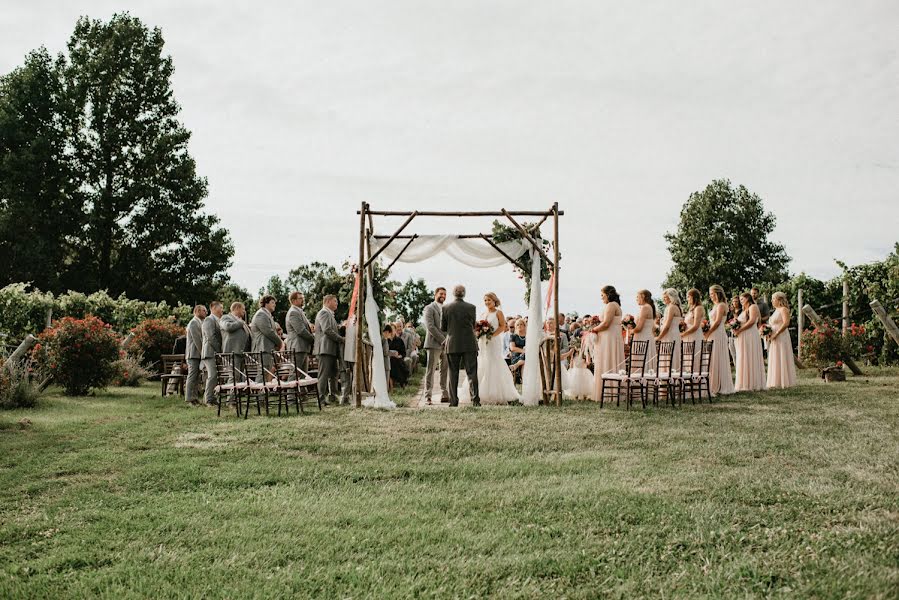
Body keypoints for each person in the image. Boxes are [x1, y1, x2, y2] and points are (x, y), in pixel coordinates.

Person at [467, 293, 519, 405]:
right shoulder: (483, 313)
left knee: (493, 362)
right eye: (485, 300)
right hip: (483, 341)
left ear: (494, 300)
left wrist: (492, 335)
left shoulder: (498, 313)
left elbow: (502, 326)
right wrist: (479, 332)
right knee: (482, 361)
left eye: (489, 300)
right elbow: (477, 326)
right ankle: (477, 392)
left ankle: (495, 392)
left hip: (493, 341)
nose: (486, 302)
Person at [440, 284, 479, 407]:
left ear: (453, 293)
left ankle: (453, 401)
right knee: (472, 373)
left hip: (453, 344)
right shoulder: (472, 307)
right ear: (464, 293)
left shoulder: (446, 308)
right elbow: (473, 325)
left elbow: (443, 328)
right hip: (469, 343)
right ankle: (475, 400)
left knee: (453, 373)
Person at [591, 285, 625, 401]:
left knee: (608, 359)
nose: (601, 298)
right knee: (609, 359)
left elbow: (606, 324)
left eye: (602, 295)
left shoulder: (611, 305)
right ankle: (610, 390)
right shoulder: (615, 305)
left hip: (609, 337)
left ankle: (609, 393)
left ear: (608, 294)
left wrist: (594, 330)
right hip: (611, 336)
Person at [314, 294, 345, 406]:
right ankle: (320, 399)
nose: (337, 303)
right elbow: (327, 330)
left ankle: (333, 396)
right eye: (335, 301)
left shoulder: (330, 314)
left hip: (331, 349)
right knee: (324, 374)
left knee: (334, 374)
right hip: (325, 349)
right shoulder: (323, 313)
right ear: (327, 302)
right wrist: (341, 339)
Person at [704, 285, 734, 396]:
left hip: (717, 333)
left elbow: (717, 322)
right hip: (713, 332)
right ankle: (713, 382)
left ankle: (720, 384)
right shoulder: (715, 305)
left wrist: (707, 333)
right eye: (710, 294)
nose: (711, 296)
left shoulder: (721, 305)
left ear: (718, 293)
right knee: (712, 358)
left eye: (712, 293)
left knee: (717, 357)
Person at [734, 292, 766, 392]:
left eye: (742, 299)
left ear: (748, 298)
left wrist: (740, 330)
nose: (741, 301)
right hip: (743, 336)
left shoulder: (753, 307)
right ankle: (744, 382)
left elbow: (752, 321)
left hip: (750, 335)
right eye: (740, 300)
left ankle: (753, 383)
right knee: (743, 357)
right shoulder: (744, 310)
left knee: (750, 356)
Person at [422, 287, 449, 404]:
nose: (443, 295)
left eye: (445, 294)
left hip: (447, 344)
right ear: (435, 294)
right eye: (441, 293)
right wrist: (443, 340)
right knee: (431, 370)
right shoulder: (429, 308)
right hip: (434, 344)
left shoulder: (447, 309)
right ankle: (428, 396)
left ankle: (444, 394)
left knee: (445, 370)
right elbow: (430, 326)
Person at [766, 292, 797, 389]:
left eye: (773, 299)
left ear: (779, 300)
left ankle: (784, 380)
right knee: (775, 356)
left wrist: (776, 333)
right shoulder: (776, 310)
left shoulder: (783, 309)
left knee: (781, 355)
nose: (772, 301)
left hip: (781, 335)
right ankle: (775, 380)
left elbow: (786, 323)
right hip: (774, 336)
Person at [250, 295, 282, 380]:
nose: (274, 305)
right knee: (263, 373)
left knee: (266, 372)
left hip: (267, 349)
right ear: (265, 303)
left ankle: (264, 392)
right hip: (262, 348)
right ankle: (260, 392)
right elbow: (268, 332)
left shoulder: (267, 315)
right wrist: (280, 343)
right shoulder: (261, 314)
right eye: (272, 302)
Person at [200, 301, 223, 405]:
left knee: (215, 376)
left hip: (214, 353)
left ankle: (212, 398)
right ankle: (208, 399)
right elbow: (211, 337)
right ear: (213, 308)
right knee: (212, 376)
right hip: (209, 352)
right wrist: (220, 350)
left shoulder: (218, 320)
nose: (222, 310)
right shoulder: (209, 320)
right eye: (220, 308)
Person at [285, 292, 315, 371]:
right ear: (293, 300)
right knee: (295, 375)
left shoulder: (299, 311)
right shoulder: (293, 312)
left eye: (303, 298)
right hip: (297, 348)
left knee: (303, 376)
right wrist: (314, 339)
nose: (303, 300)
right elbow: (301, 331)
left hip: (302, 348)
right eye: (300, 298)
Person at [656, 289, 683, 373]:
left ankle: (668, 378)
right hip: (673, 334)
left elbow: (667, 326)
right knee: (671, 356)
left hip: (670, 335)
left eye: (665, 297)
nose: (664, 299)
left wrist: (659, 338)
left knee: (669, 357)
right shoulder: (674, 307)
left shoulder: (671, 307)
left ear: (671, 297)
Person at [220, 302, 250, 377]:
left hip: (242, 353)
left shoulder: (241, 321)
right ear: (236, 308)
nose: (244, 311)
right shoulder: (225, 317)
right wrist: (240, 323)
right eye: (243, 309)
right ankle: (230, 389)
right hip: (232, 353)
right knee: (233, 377)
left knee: (240, 378)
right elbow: (227, 327)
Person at [184, 304, 206, 404]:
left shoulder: (200, 322)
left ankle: (194, 397)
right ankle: (189, 398)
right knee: (192, 376)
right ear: (197, 311)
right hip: (193, 354)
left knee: (196, 377)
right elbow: (197, 340)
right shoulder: (193, 323)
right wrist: (203, 352)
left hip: (196, 354)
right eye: (203, 311)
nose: (206, 312)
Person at [680, 288, 706, 374]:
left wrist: (683, 334)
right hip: (688, 336)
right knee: (687, 359)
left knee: (695, 358)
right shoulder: (690, 309)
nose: (687, 299)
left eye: (688, 297)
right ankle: (689, 382)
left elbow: (696, 326)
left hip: (695, 336)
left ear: (694, 297)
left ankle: (697, 382)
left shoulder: (698, 308)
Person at [632, 290, 657, 371]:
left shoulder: (645, 307)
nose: (636, 299)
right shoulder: (648, 307)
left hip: (643, 337)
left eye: (637, 297)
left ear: (643, 297)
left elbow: (639, 328)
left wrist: (631, 331)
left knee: (642, 359)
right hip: (646, 336)